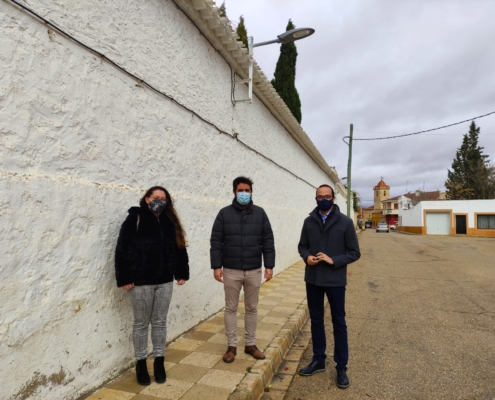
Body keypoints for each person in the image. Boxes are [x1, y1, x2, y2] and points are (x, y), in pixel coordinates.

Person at [115, 186, 189, 386]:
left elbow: (180, 248)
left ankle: (159, 362)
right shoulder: (135, 219)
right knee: (141, 323)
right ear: (147, 199)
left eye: (163, 198)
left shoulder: (170, 221)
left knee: (159, 322)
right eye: (156, 197)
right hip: (141, 283)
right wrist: (124, 277)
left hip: (165, 281)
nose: (160, 201)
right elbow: (122, 249)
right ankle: (140, 363)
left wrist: (181, 272)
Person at [297, 184, 360, 389]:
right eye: (319, 196)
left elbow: (354, 252)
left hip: (335, 280)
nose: (323, 199)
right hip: (313, 279)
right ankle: (318, 360)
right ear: (315, 199)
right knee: (316, 321)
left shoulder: (346, 223)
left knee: (338, 322)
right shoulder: (309, 221)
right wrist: (307, 257)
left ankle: (341, 367)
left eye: (327, 196)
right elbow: (302, 245)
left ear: (333, 198)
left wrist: (334, 260)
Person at [210, 176, 275, 363]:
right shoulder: (224, 214)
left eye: (247, 190)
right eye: (241, 190)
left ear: (251, 192)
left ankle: (250, 344)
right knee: (230, 308)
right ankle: (231, 346)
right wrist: (216, 266)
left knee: (252, 308)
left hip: (254, 269)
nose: (244, 194)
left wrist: (269, 265)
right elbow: (216, 241)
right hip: (231, 269)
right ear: (234, 192)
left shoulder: (260, 214)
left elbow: (267, 241)